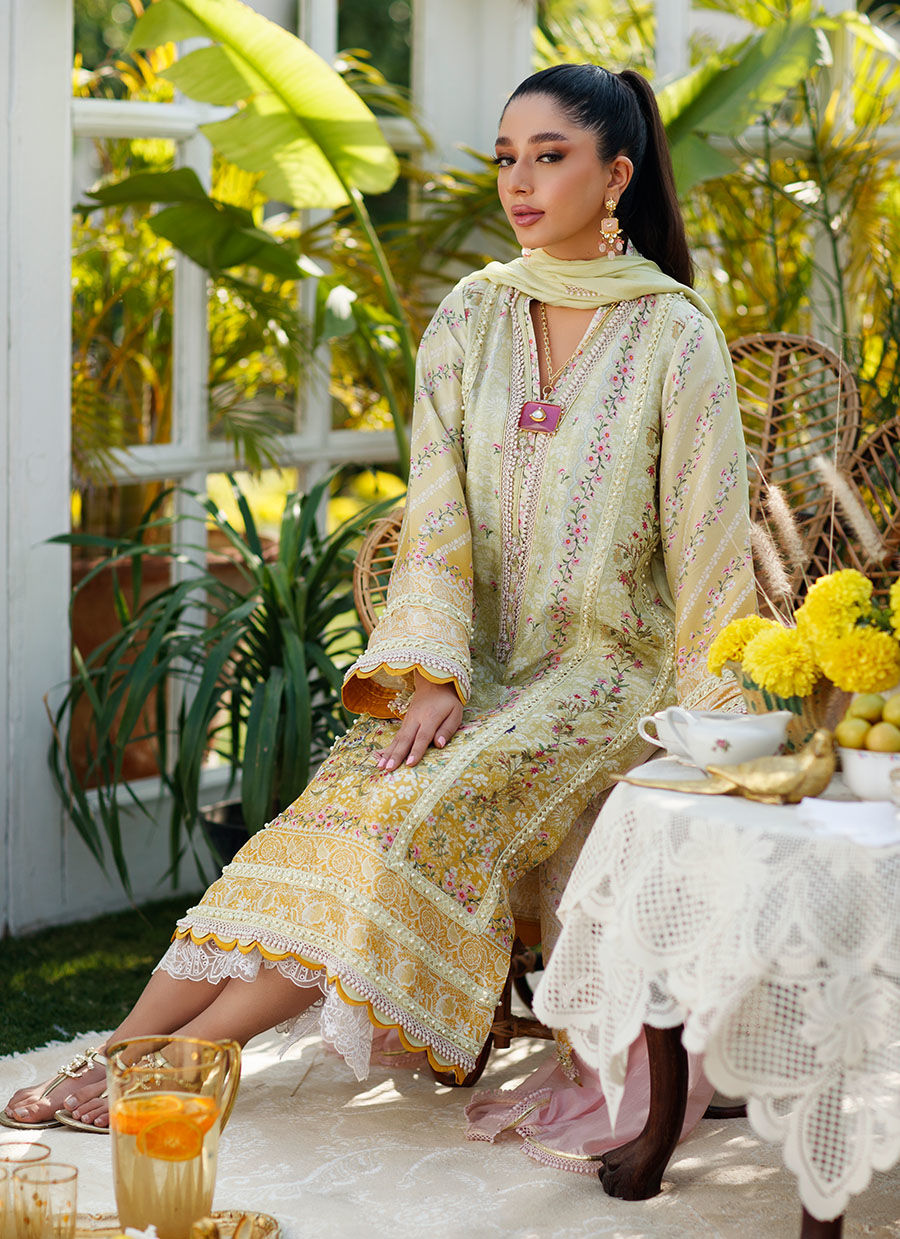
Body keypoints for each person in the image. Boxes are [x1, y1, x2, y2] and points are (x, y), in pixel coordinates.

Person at [3, 63, 754, 1145]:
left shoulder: (675, 335)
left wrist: (717, 727)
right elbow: (435, 518)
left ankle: (186, 1061)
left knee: (409, 822)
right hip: (469, 664)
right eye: (506, 159)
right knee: (333, 813)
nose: (520, 182)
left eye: (549, 157)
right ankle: (123, 1047)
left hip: (602, 672)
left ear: (617, 176)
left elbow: (711, 545)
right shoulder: (474, 315)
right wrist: (432, 674)